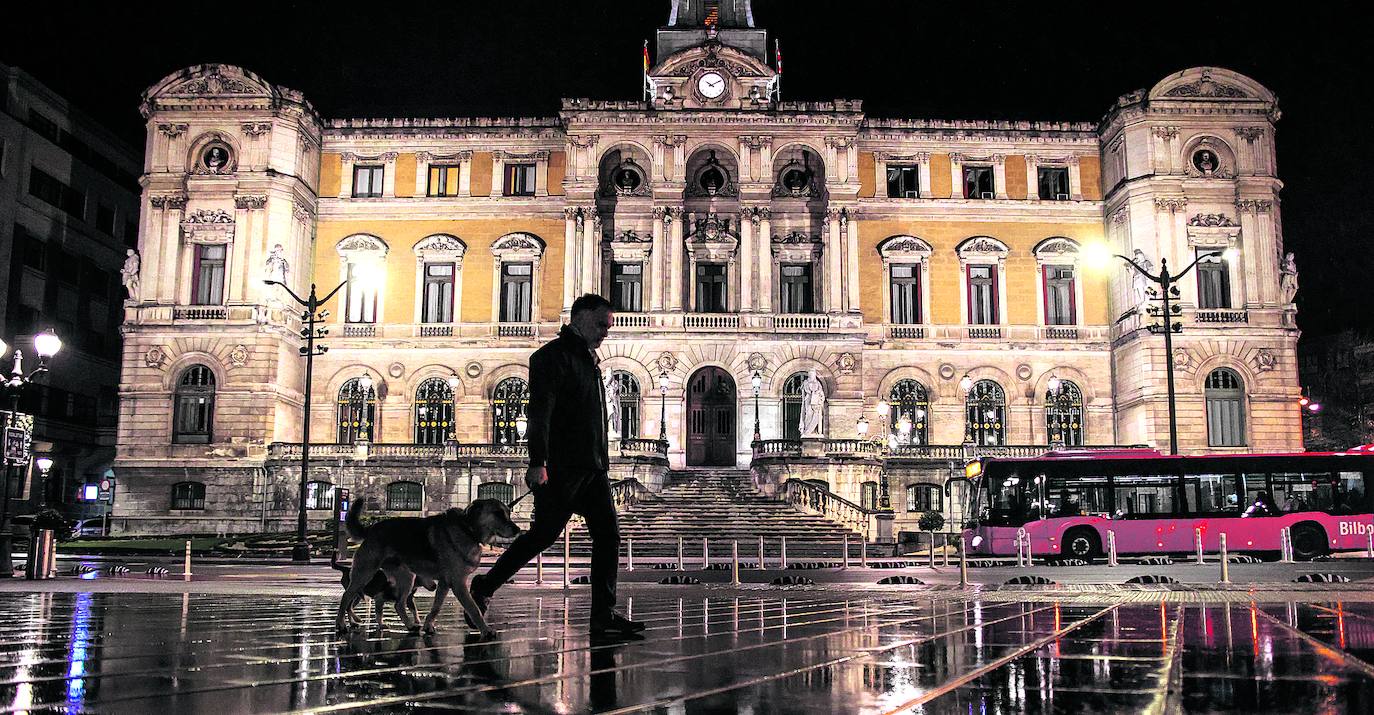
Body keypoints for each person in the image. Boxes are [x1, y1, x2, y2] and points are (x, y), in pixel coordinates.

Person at [470, 294, 644, 636]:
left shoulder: (589, 359)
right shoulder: (551, 358)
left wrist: (601, 460)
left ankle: (602, 616)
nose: (605, 333)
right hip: (563, 467)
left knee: (608, 535)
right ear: (578, 319)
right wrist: (538, 461)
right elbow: (540, 413)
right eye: (600, 325)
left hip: (592, 468)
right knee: (542, 536)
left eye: (608, 327)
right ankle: (485, 586)